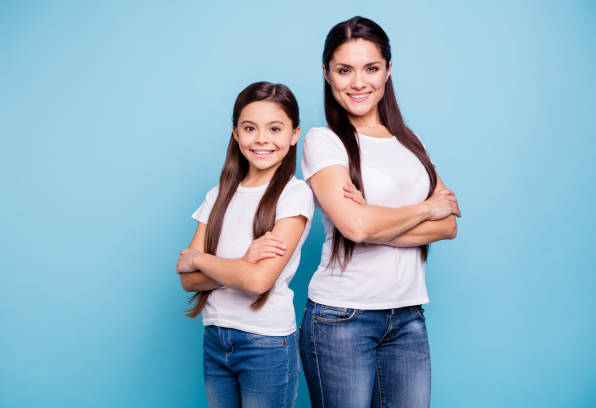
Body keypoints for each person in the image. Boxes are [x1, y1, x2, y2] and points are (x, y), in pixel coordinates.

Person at [298, 16, 461, 408]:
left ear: (388, 70)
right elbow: (355, 226)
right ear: (326, 73)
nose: (358, 83)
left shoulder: (412, 142)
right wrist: (425, 208)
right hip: (341, 319)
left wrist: (374, 221)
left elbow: (449, 225)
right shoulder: (325, 141)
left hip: (407, 317)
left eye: (371, 68)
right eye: (344, 70)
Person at [176, 81, 313, 408]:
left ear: (294, 135)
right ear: (236, 134)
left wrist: (201, 259)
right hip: (216, 337)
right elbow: (186, 279)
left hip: (264, 343)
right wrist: (243, 260)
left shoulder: (294, 195)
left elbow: (257, 280)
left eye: (275, 128)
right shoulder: (218, 194)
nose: (262, 139)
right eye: (250, 128)